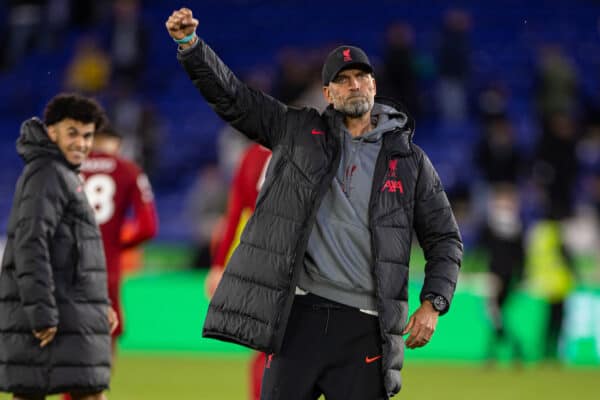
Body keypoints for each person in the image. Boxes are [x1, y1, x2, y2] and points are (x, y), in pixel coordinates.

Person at [166, 8, 463, 399]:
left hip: (367, 329)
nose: (354, 84)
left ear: (374, 85)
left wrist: (434, 303)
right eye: (342, 80)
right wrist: (190, 46)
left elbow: (445, 239)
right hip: (299, 319)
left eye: (361, 76)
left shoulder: (410, 162)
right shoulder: (297, 131)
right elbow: (234, 99)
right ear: (328, 94)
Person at [0, 93, 118, 400]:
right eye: (72, 133)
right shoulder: (48, 174)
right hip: (51, 315)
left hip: (68, 309)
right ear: (51, 131)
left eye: (88, 135)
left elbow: (74, 252)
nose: (81, 143)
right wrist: (41, 314)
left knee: (67, 391)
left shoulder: (60, 173)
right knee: (85, 392)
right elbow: (31, 245)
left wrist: (98, 304)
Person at [80, 122, 158, 349]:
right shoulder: (128, 169)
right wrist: (117, 245)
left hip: (69, 266)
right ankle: (97, 385)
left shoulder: (69, 167)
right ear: (116, 142)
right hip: (107, 267)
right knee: (107, 334)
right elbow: (148, 227)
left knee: (68, 336)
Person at [205, 143, 272, 400]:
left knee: (266, 349)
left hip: (260, 265)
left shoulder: (253, 154)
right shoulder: (313, 144)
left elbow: (235, 212)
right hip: (302, 264)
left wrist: (219, 265)